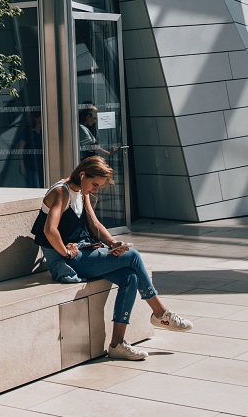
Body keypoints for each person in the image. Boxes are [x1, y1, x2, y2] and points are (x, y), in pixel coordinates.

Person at [32, 154, 193, 361]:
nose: (96, 189)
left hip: (83, 250)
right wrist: (65, 251)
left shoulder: (82, 191)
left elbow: (94, 224)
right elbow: (49, 230)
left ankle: (117, 345)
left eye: (99, 186)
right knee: (133, 256)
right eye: (95, 184)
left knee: (130, 277)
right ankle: (161, 314)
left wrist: (112, 243)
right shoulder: (60, 193)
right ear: (82, 175)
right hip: (65, 260)